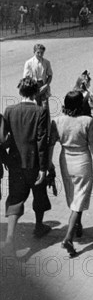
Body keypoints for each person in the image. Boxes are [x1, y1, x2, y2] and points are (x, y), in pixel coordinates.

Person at [50, 91, 93, 257]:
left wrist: (49, 164)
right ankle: (68, 237)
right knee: (80, 198)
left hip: (65, 160)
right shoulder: (87, 121)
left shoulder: (57, 121)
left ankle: (77, 225)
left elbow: (51, 144)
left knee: (73, 196)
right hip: (82, 160)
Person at [3, 78, 52, 256]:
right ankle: (39, 227)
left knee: (15, 198)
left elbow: (3, 139)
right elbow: (41, 140)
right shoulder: (40, 112)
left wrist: (7, 158)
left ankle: (9, 239)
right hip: (34, 163)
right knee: (39, 194)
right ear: (35, 92)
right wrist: (43, 167)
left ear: (20, 91)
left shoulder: (9, 111)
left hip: (16, 163)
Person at [23, 43, 53, 108]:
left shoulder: (46, 62)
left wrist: (46, 85)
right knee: (35, 107)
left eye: (42, 53)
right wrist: (31, 89)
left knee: (44, 107)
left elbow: (50, 75)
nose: (40, 54)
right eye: (38, 52)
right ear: (34, 52)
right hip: (33, 86)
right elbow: (25, 78)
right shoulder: (28, 63)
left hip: (43, 85)